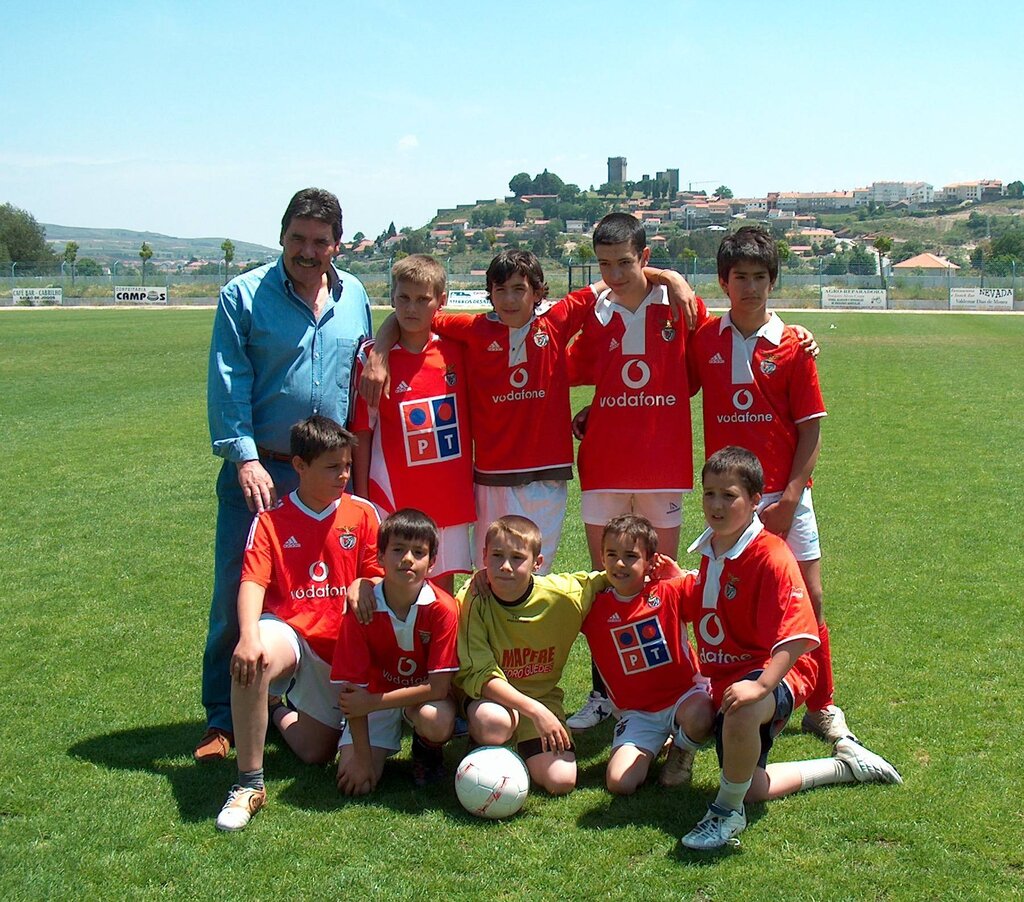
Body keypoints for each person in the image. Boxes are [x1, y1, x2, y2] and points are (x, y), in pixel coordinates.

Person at [360, 249, 697, 572]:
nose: (509, 300)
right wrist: (379, 354)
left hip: (547, 479)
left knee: (535, 573)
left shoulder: (558, 319)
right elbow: (413, 314)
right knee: (493, 573)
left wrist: (669, 277)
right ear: (490, 294)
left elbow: (614, 278)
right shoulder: (473, 330)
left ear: (537, 292)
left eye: (519, 289)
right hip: (493, 479)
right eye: (500, 290)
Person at [198, 188, 372, 761]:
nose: (307, 250)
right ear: (281, 236)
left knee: (326, 594)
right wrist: (245, 458)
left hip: (332, 476)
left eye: (319, 241)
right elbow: (229, 383)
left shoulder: (356, 298)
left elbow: (365, 377)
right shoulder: (243, 296)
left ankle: (311, 701)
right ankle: (222, 722)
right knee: (237, 597)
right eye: (298, 238)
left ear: (336, 245)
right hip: (264, 475)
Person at [675, 447, 901, 851]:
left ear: (755, 500)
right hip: (731, 674)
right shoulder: (711, 548)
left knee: (742, 711)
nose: (716, 505)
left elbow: (798, 636)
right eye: (709, 494)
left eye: (729, 495)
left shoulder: (772, 555)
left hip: (781, 669)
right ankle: (842, 767)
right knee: (752, 786)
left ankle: (726, 815)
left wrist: (761, 687)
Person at [688, 226, 848, 743]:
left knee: (812, 600)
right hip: (728, 502)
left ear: (773, 281)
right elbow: (668, 392)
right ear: (723, 281)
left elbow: (811, 429)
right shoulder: (704, 340)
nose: (750, 287)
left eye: (760, 277)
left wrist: (792, 498)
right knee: (728, 601)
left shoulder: (793, 346)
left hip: (785, 497)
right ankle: (719, 694)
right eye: (740, 277)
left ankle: (821, 704)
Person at [564, 212, 710, 730]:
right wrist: (595, 410)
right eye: (604, 265)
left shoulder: (679, 303)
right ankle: (604, 693)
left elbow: (698, 371)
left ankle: (673, 693)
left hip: (662, 467)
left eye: (624, 263)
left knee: (660, 588)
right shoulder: (594, 312)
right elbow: (563, 368)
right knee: (609, 584)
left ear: (645, 258)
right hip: (603, 467)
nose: (615, 275)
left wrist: (677, 282)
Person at [214, 417, 382, 832]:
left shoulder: (363, 514)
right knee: (253, 658)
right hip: (292, 636)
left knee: (314, 752)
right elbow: (252, 581)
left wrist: (365, 582)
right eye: (332, 467)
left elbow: (380, 573)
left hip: (343, 652)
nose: (343, 475)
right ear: (299, 466)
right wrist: (249, 636)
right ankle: (249, 784)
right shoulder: (271, 520)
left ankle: (272, 707)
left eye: (346, 465)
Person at [456, 515, 607, 795]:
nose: (505, 566)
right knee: (494, 722)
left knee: (561, 781)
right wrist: (537, 712)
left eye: (517, 558)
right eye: (497, 556)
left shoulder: (562, 595)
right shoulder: (472, 599)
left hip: (541, 697)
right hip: (489, 699)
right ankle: (481, 746)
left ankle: (519, 745)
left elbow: (612, 575)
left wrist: (666, 574)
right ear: (484, 556)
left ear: (537, 563)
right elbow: (482, 676)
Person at [350, 255, 474, 594]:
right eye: (403, 298)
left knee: (441, 592)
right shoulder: (373, 359)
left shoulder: (459, 350)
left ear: (442, 302)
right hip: (392, 493)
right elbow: (363, 431)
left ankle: (442, 650)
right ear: (392, 298)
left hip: (447, 494)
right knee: (394, 588)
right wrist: (361, 497)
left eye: (423, 299)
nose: (411, 308)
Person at [580, 516, 714, 795]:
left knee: (702, 717)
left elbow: (710, 594)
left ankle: (682, 749)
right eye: (612, 555)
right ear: (602, 558)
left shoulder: (669, 590)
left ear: (650, 561)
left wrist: (679, 575)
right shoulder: (591, 607)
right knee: (620, 783)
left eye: (631, 556)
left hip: (683, 697)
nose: (620, 564)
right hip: (638, 712)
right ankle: (659, 741)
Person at [331, 509, 460, 794]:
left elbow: (439, 688)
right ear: (379, 557)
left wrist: (373, 702)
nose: (407, 559)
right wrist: (362, 760)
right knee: (358, 781)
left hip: (417, 699)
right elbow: (354, 694)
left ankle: (426, 753)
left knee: (436, 720)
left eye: (418, 552)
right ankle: (277, 707)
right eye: (398, 549)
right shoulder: (362, 607)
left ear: (433, 562)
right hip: (374, 696)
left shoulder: (443, 608)